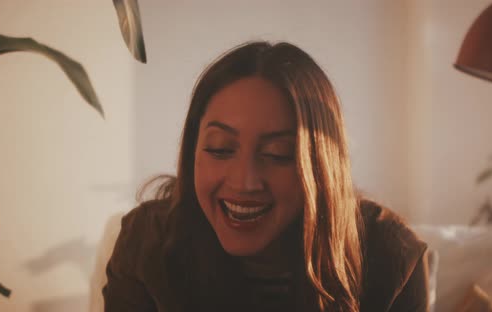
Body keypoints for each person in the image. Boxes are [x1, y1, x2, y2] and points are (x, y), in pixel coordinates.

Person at [102, 41, 429, 311]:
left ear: (319, 166)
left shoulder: (388, 253)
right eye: (219, 149)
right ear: (192, 152)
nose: (244, 182)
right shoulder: (147, 242)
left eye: (278, 155)